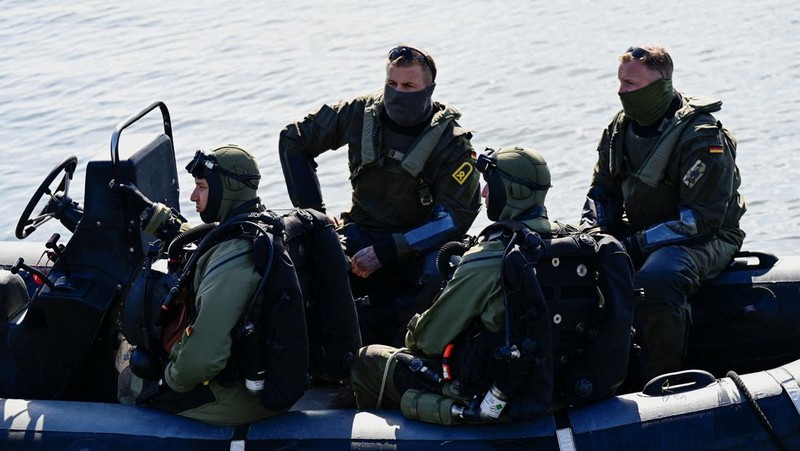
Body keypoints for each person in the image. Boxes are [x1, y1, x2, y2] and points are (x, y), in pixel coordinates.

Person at [349, 147, 598, 422]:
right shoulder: (574, 245)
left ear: (514, 193)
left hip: (495, 394)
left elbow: (429, 341)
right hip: (562, 384)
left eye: (490, 185)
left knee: (368, 360)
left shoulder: (490, 255)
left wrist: (412, 329)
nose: (483, 193)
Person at [279, 45, 482, 346]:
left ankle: (405, 354)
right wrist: (316, 218)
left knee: (444, 268)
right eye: (392, 84)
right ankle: (328, 355)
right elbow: (294, 139)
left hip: (417, 244)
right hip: (361, 232)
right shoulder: (359, 113)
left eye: (409, 86)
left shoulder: (452, 145)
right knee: (298, 255)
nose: (399, 93)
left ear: (429, 89)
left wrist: (388, 250)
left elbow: (455, 217)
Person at [579, 45, 746, 385]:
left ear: (661, 85)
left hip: (707, 235)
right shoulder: (619, 129)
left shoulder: (701, 137)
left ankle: (662, 381)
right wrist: (594, 235)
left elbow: (699, 220)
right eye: (621, 82)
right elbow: (601, 191)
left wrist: (636, 244)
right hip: (642, 230)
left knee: (658, 279)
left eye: (631, 85)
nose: (621, 91)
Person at [116, 145, 304, 426]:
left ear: (227, 189)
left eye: (201, 187)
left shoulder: (236, 260)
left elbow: (203, 358)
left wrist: (167, 375)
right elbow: (202, 241)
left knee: (128, 378)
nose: (193, 196)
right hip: (258, 374)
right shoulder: (254, 227)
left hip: (236, 398)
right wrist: (153, 214)